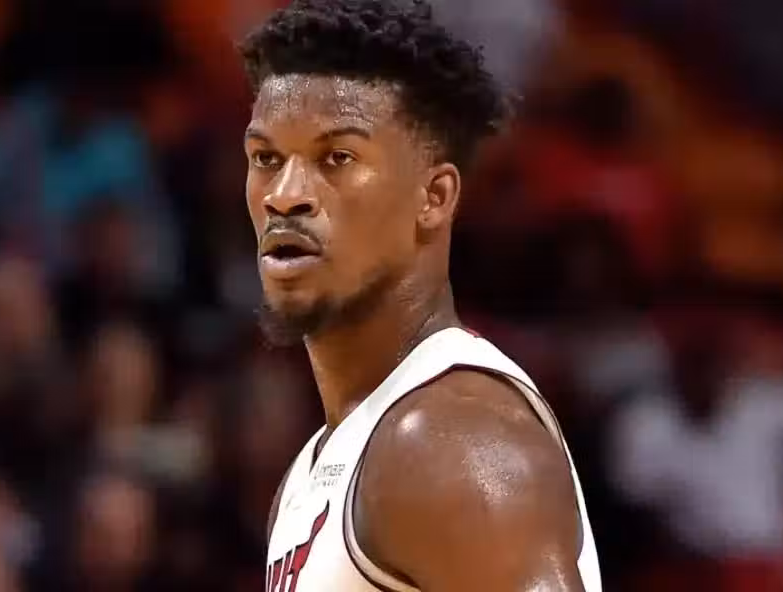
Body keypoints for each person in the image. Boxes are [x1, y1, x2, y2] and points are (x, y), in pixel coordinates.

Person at [240, 1, 602, 590]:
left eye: (337, 158)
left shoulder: (448, 438)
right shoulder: (318, 467)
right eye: (266, 158)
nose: (285, 194)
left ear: (434, 197)